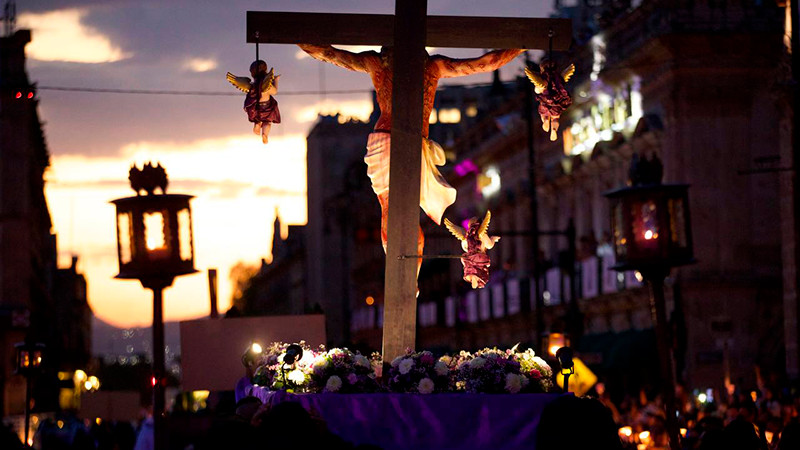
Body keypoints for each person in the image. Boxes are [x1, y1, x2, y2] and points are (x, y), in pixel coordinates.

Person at [298, 44, 523, 282]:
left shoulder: (383, 64)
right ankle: (405, 273)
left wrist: (301, 39)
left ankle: (405, 273)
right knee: (399, 212)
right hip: (405, 142)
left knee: (394, 210)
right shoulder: (429, 67)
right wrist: (521, 45)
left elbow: (330, 54)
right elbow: (486, 63)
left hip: (396, 142)